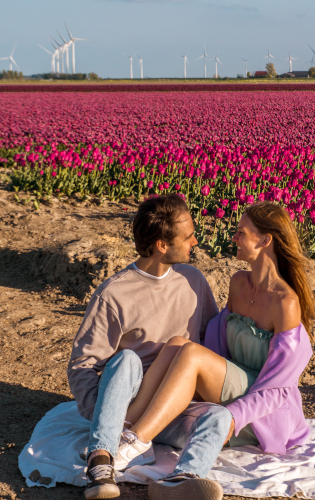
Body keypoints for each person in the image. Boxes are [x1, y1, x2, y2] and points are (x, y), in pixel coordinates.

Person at [117, 201, 315, 500]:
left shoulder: (285, 303)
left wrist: (231, 416)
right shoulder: (238, 283)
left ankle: (138, 440)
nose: (233, 237)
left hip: (262, 408)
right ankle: (127, 424)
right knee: (177, 344)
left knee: (191, 354)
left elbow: (278, 389)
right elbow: (218, 349)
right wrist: (187, 383)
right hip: (233, 385)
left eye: (241, 232)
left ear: (265, 240)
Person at [68, 194, 233, 500]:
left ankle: (183, 478)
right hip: (126, 400)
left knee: (219, 418)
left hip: (170, 406)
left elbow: (211, 341)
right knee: (127, 359)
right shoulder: (115, 293)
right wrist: (104, 418)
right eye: (188, 237)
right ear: (161, 245)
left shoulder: (193, 280)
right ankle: (100, 460)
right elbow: (82, 364)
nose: (194, 242)